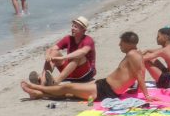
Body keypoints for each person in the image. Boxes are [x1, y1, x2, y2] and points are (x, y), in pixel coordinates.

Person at [21, 31, 150, 102]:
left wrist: (146, 95)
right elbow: (141, 72)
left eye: (121, 43)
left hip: (106, 91)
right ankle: (38, 94)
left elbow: (139, 74)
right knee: (70, 93)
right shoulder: (135, 54)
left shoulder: (133, 55)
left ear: (128, 44)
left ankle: (35, 87)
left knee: (68, 87)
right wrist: (137, 90)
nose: (119, 45)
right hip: (103, 85)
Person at [31, 16, 96, 85]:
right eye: (72, 26)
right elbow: (51, 49)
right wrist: (47, 55)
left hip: (86, 74)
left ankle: (55, 81)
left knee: (77, 56)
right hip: (70, 72)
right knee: (53, 53)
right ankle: (42, 79)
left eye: (75, 27)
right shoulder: (68, 38)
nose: (72, 28)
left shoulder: (88, 40)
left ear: (83, 30)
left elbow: (82, 52)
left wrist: (63, 57)